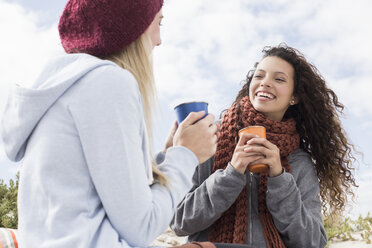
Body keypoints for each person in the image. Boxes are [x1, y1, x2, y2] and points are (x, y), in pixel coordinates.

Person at [0, 0, 219, 247]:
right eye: (159, 22)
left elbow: (99, 201)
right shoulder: (108, 83)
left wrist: (167, 158)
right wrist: (186, 155)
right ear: (133, 26)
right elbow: (142, 227)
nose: (159, 40)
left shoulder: (65, 88)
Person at [170, 44, 358, 248]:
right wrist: (231, 174)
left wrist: (279, 178)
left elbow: (312, 243)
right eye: (259, 76)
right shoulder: (210, 138)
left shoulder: (299, 161)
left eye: (279, 79)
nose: (265, 83)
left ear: (294, 97)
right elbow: (179, 221)